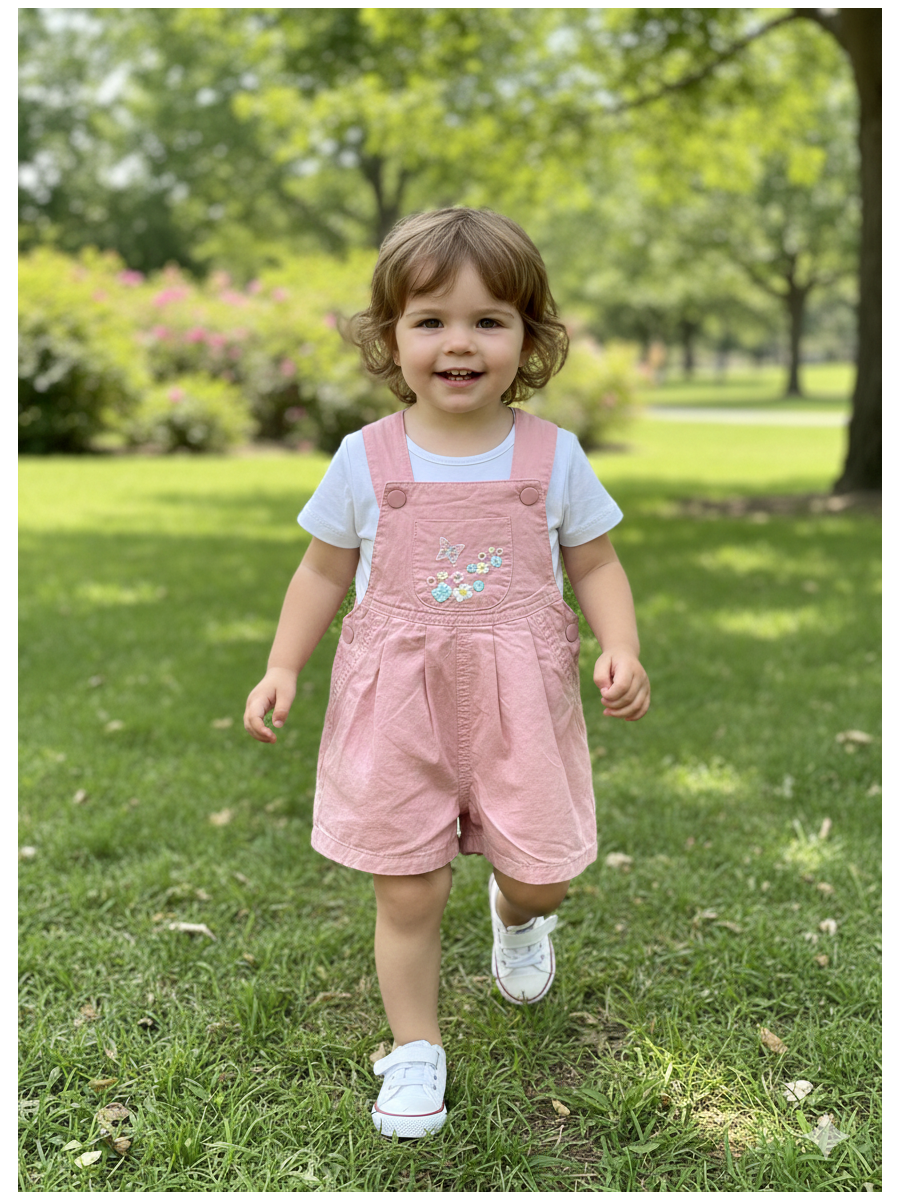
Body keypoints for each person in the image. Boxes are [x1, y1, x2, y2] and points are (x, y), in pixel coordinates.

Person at [244, 207, 650, 1139]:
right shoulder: (365, 459)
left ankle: (519, 915)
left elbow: (595, 562)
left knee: (542, 874)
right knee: (409, 885)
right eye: (431, 321)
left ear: (529, 340)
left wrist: (620, 645)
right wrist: (282, 665)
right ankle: (415, 1046)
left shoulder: (552, 457)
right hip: (399, 706)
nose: (458, 343)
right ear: (391, 338)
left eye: (487, 321)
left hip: (520, 702)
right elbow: (321, 571)